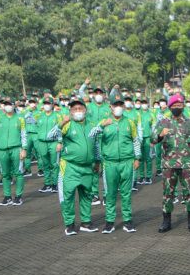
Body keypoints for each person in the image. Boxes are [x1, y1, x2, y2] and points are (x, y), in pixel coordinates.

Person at [47, 98, 100, 235]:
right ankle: (69, 224)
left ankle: (86, 222)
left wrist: (98, 161)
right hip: (70, 166)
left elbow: (95, 145)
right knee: (68, 195)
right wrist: (61, 123)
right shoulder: (67, 125)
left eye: (80, 109)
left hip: (87, 167)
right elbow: (50, 136)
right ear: (70, 111)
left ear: (85, 110)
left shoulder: (92, 125)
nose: (78, 111)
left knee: (87, 195)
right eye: (74, 109)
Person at [153, 94, 190, 233]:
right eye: (174, 106)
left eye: (179, 105)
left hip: (187, 163)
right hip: (169, 164)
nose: (177, 107)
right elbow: (152, 141)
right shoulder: (163, 122)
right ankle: (166, 220)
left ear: (183, 106)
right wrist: (160, 135)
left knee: (189, 192)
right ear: (170, 107)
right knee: (168, 193)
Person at [90, 98, 141, 234]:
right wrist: (102, 126)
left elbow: (135, 140)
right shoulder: (104, 122)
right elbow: (91, 136)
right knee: (110, 194)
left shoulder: (130, 122)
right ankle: (109, 222)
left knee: (126, 194)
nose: (118, 107)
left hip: (127, 162)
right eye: (115, 105)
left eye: (120, 105)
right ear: (110, 107)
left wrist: (137, 157)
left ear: (123, 106)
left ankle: (128, 221)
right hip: (110, 163)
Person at [0, 97, 29, 206]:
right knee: (5, 174)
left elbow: (24, 134)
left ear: (14, 105)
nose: (8, 106)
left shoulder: (20, 118)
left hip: (16, 149)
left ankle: (18, 196)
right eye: (6, 104)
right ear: (3, 107)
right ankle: (7, 196)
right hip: (2, 150)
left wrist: (24, 149)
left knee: (18, 173)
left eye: (10, 104)